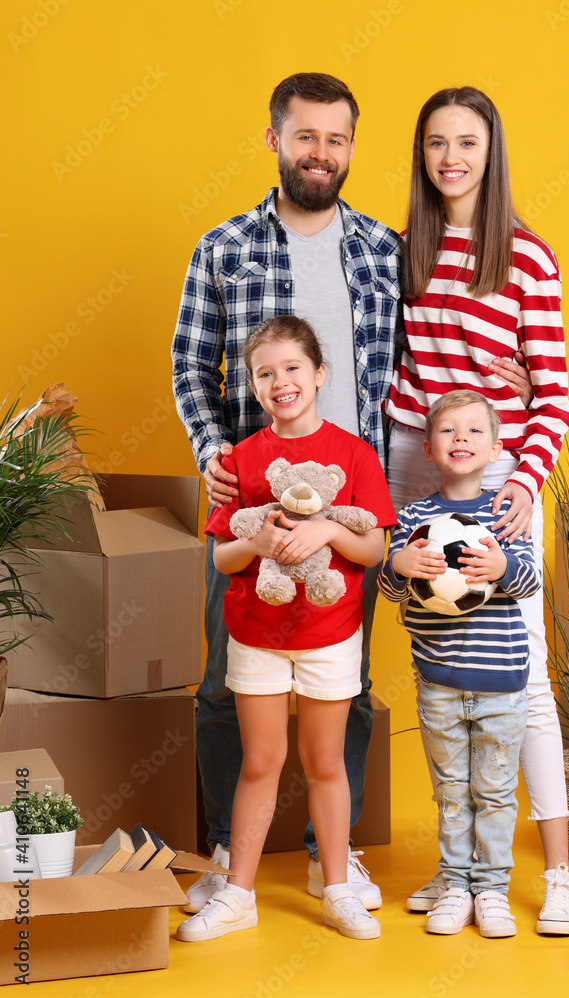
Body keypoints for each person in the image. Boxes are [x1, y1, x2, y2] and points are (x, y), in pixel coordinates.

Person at [171, 72, 403, 910]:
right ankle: (231, 859)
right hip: (253, 506)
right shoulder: (224, 248)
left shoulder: (382, 250)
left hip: (348, 509)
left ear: (349, 147)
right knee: (224, 685)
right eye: (305, 137)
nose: (321, 153)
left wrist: (499, 376)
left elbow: (416, 366)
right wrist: (212, 450)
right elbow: (191, 366)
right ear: (275, 140)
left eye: (336, 139)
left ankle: (327, 857)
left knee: (351, 679)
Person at [384, 87, 569, 935]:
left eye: (467, 142)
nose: (451, 157)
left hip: (495, 464)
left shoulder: (528, 258)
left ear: (491, 151)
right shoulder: (401, 254)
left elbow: (555, 395)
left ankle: (560, 872)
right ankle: (457, 868)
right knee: (425, 630)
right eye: (435, 142)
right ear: (421, 155)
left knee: (520, 659)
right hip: (407, 452)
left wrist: (523, 479)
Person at [177, 316, 396, 943]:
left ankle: (337, 890)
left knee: (326, 762)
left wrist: (326, 531)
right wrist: (259, 538)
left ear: (321, 374)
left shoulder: (354, 453)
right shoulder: (241, 460)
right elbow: (220, 555)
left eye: (293, 368)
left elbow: (375, 546)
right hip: (256, 636)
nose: (281, 382)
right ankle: (238, 894)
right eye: (264, 374)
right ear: (252, 386)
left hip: (331, 632)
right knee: (261, 761)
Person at [378, 390, 537, 937]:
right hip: (439, 682)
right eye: (448, 431)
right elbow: (390, 591)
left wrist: (498, 567)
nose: (461, 439)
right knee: (450, 790)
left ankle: (491, 889)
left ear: (497, 449)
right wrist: (398, 563)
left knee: (493, 792)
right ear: (427, 448)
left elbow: (530, 581)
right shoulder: (415, 518)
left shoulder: (508, 517)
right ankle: (454, 882)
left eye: (474, 431)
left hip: (501, 683)